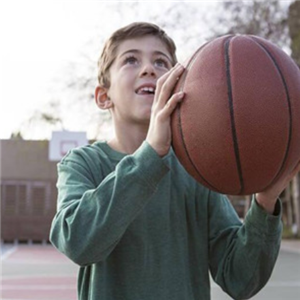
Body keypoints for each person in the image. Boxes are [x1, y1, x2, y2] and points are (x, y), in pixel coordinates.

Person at [49, 22, 300, 300]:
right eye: (131, 60)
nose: (149, 69)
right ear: (103, 97)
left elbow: (240, 279)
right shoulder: (82, 163)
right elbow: (78, 243)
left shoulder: (195, 169)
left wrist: (265, 203)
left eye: (161, 62)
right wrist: (150, 155)